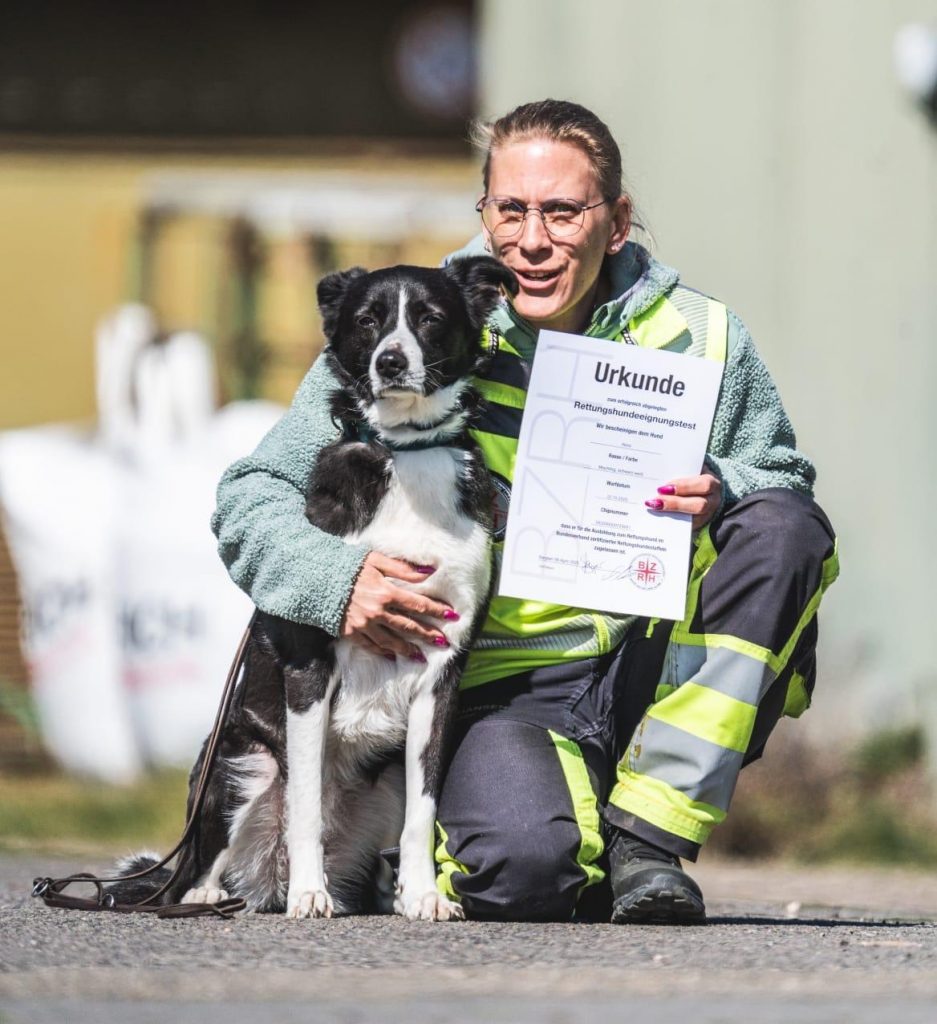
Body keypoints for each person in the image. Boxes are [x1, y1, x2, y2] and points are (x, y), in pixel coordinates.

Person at [211, 99, 838, 925]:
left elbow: (782, 475)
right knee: (520, 877)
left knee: (785, 525)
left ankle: (649, 836)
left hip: (652, 655)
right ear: (484, 213)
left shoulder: (702, 335)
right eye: (511, 210)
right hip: (506, 687)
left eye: (561, 211)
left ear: (614, 223)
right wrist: (338, 581)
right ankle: (539, 828)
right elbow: (251, 495)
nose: (532, 240)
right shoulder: (415, 322)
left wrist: (721, 483)